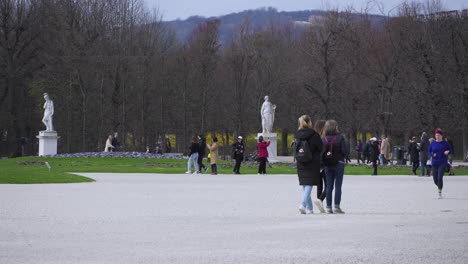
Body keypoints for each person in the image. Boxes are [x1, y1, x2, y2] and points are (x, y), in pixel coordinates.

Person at [294, 115, 322, 214]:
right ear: (309, 122)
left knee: (305, 184)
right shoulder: (314, 134)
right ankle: (303, 204)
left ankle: (309, 209)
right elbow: (320, 148)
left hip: (301, 161)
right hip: (312, 162)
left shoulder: (297, 134)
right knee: (309, 184)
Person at [321, 120, 347, 214]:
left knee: (328, 186)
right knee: (338, 186)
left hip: (327, 164)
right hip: (339, 163)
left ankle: (328, 207)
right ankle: (336, 206)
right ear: (335, 127)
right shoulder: (340, 138)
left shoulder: (323, 139)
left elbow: (321, 153)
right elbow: (344, 151)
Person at [428, 129, 453, 199]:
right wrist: (432, 154)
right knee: (435, 179)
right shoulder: (433, 143)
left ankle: (439, 192)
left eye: (438, 135)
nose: (437, 137)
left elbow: (451, 150)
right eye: (436, 135)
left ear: (441, 136)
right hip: (434, 163)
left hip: (442, 163)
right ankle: (440, 186)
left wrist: (448, 151)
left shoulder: (445, 143)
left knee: (439, 177)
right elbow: (429, 152)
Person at [313, 119, 326, 213]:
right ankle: (320, 200)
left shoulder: (314, 138)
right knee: (329, 185)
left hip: (316, 164)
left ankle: (319, 202)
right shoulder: (324, 139)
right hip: (324, 164)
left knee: (319, 185)